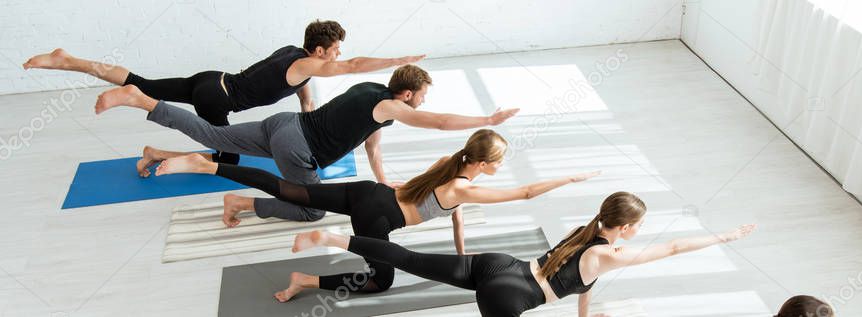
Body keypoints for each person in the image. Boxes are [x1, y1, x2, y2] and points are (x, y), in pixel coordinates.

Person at [154, 129, 599, 293]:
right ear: (482, 164)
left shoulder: (450, 165)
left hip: (369, 194)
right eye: (498, 162)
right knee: (381, 280)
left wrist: (461, 250)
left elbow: (453, 213)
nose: (500, 168)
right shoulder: (467, 187)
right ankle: (308, 280)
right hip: (377, 219)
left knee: (291, 190)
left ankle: (208, 164)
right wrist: (567, 178)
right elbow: (522, 194)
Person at [93, 64, 519, 221]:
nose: (423, 103)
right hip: (296, 149)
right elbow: (440, 121)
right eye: (420, 96)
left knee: (213, 134)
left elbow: (370, 143)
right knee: (314, 208)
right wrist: (486, 119)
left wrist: (384, 178)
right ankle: (242, 203)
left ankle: (143, 99)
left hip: (283, 123)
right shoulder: (393, 106)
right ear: (406, 94)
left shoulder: (372, 91)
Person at [282, 192, 756, 316]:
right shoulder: (609, 253)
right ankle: (333, 246)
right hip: (509, 295)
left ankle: (336, 240)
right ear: (628, 228)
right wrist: (723, 238)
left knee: (407, 259)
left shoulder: (586, 231)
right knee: (410, 262)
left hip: (501, 264)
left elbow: (583, 287)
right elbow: (672, 247)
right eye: (640, 227)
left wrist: (586, 316)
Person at [24, 19, 425, 165]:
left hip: (211, 79)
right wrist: (398, 59)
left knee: (140, 79)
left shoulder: (297, 57)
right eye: (335, 51)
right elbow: (353, 68)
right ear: (319, 51)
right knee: (226, 154)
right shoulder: (308, 64)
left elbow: (303, 91)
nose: (341, 56)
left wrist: (308, 109)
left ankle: (70, 60)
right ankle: (158, 154)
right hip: (217, 99)